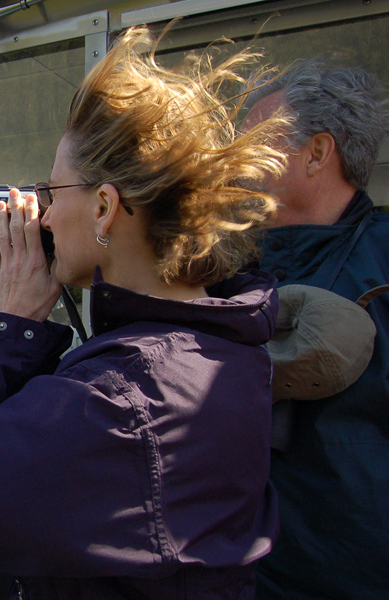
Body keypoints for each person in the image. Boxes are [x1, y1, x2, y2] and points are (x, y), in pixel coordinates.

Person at [0, 28, 287, 599]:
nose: (44, 218)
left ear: (104, 207)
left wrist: (12, 324)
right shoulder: (222, 344)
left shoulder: (122, 399)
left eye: (53, 193)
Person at [243, 60, 389, 599]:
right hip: (242, 576)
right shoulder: (224, 268)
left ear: (318, 152)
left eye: (257, 138)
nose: (234, 159)